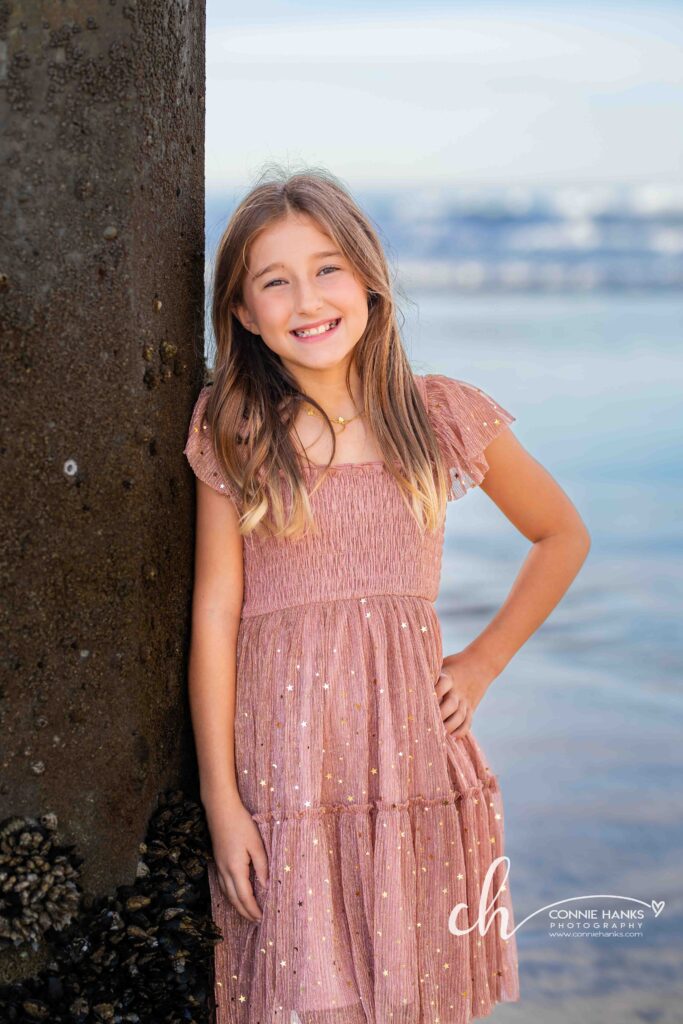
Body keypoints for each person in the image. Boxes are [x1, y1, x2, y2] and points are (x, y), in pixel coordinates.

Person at [183, 167, 591, 1024]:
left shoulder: (435, 414)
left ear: (368, 279)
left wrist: (480, 664)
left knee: (408, 991)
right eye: (275, 281)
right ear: (244, 312)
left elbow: (561, 536)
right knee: (300, 991)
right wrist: (222, 801)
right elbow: (215, 614)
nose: (307, 299)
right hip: (286, 768)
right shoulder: (235, 427)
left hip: (410, 759)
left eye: (326, 268)